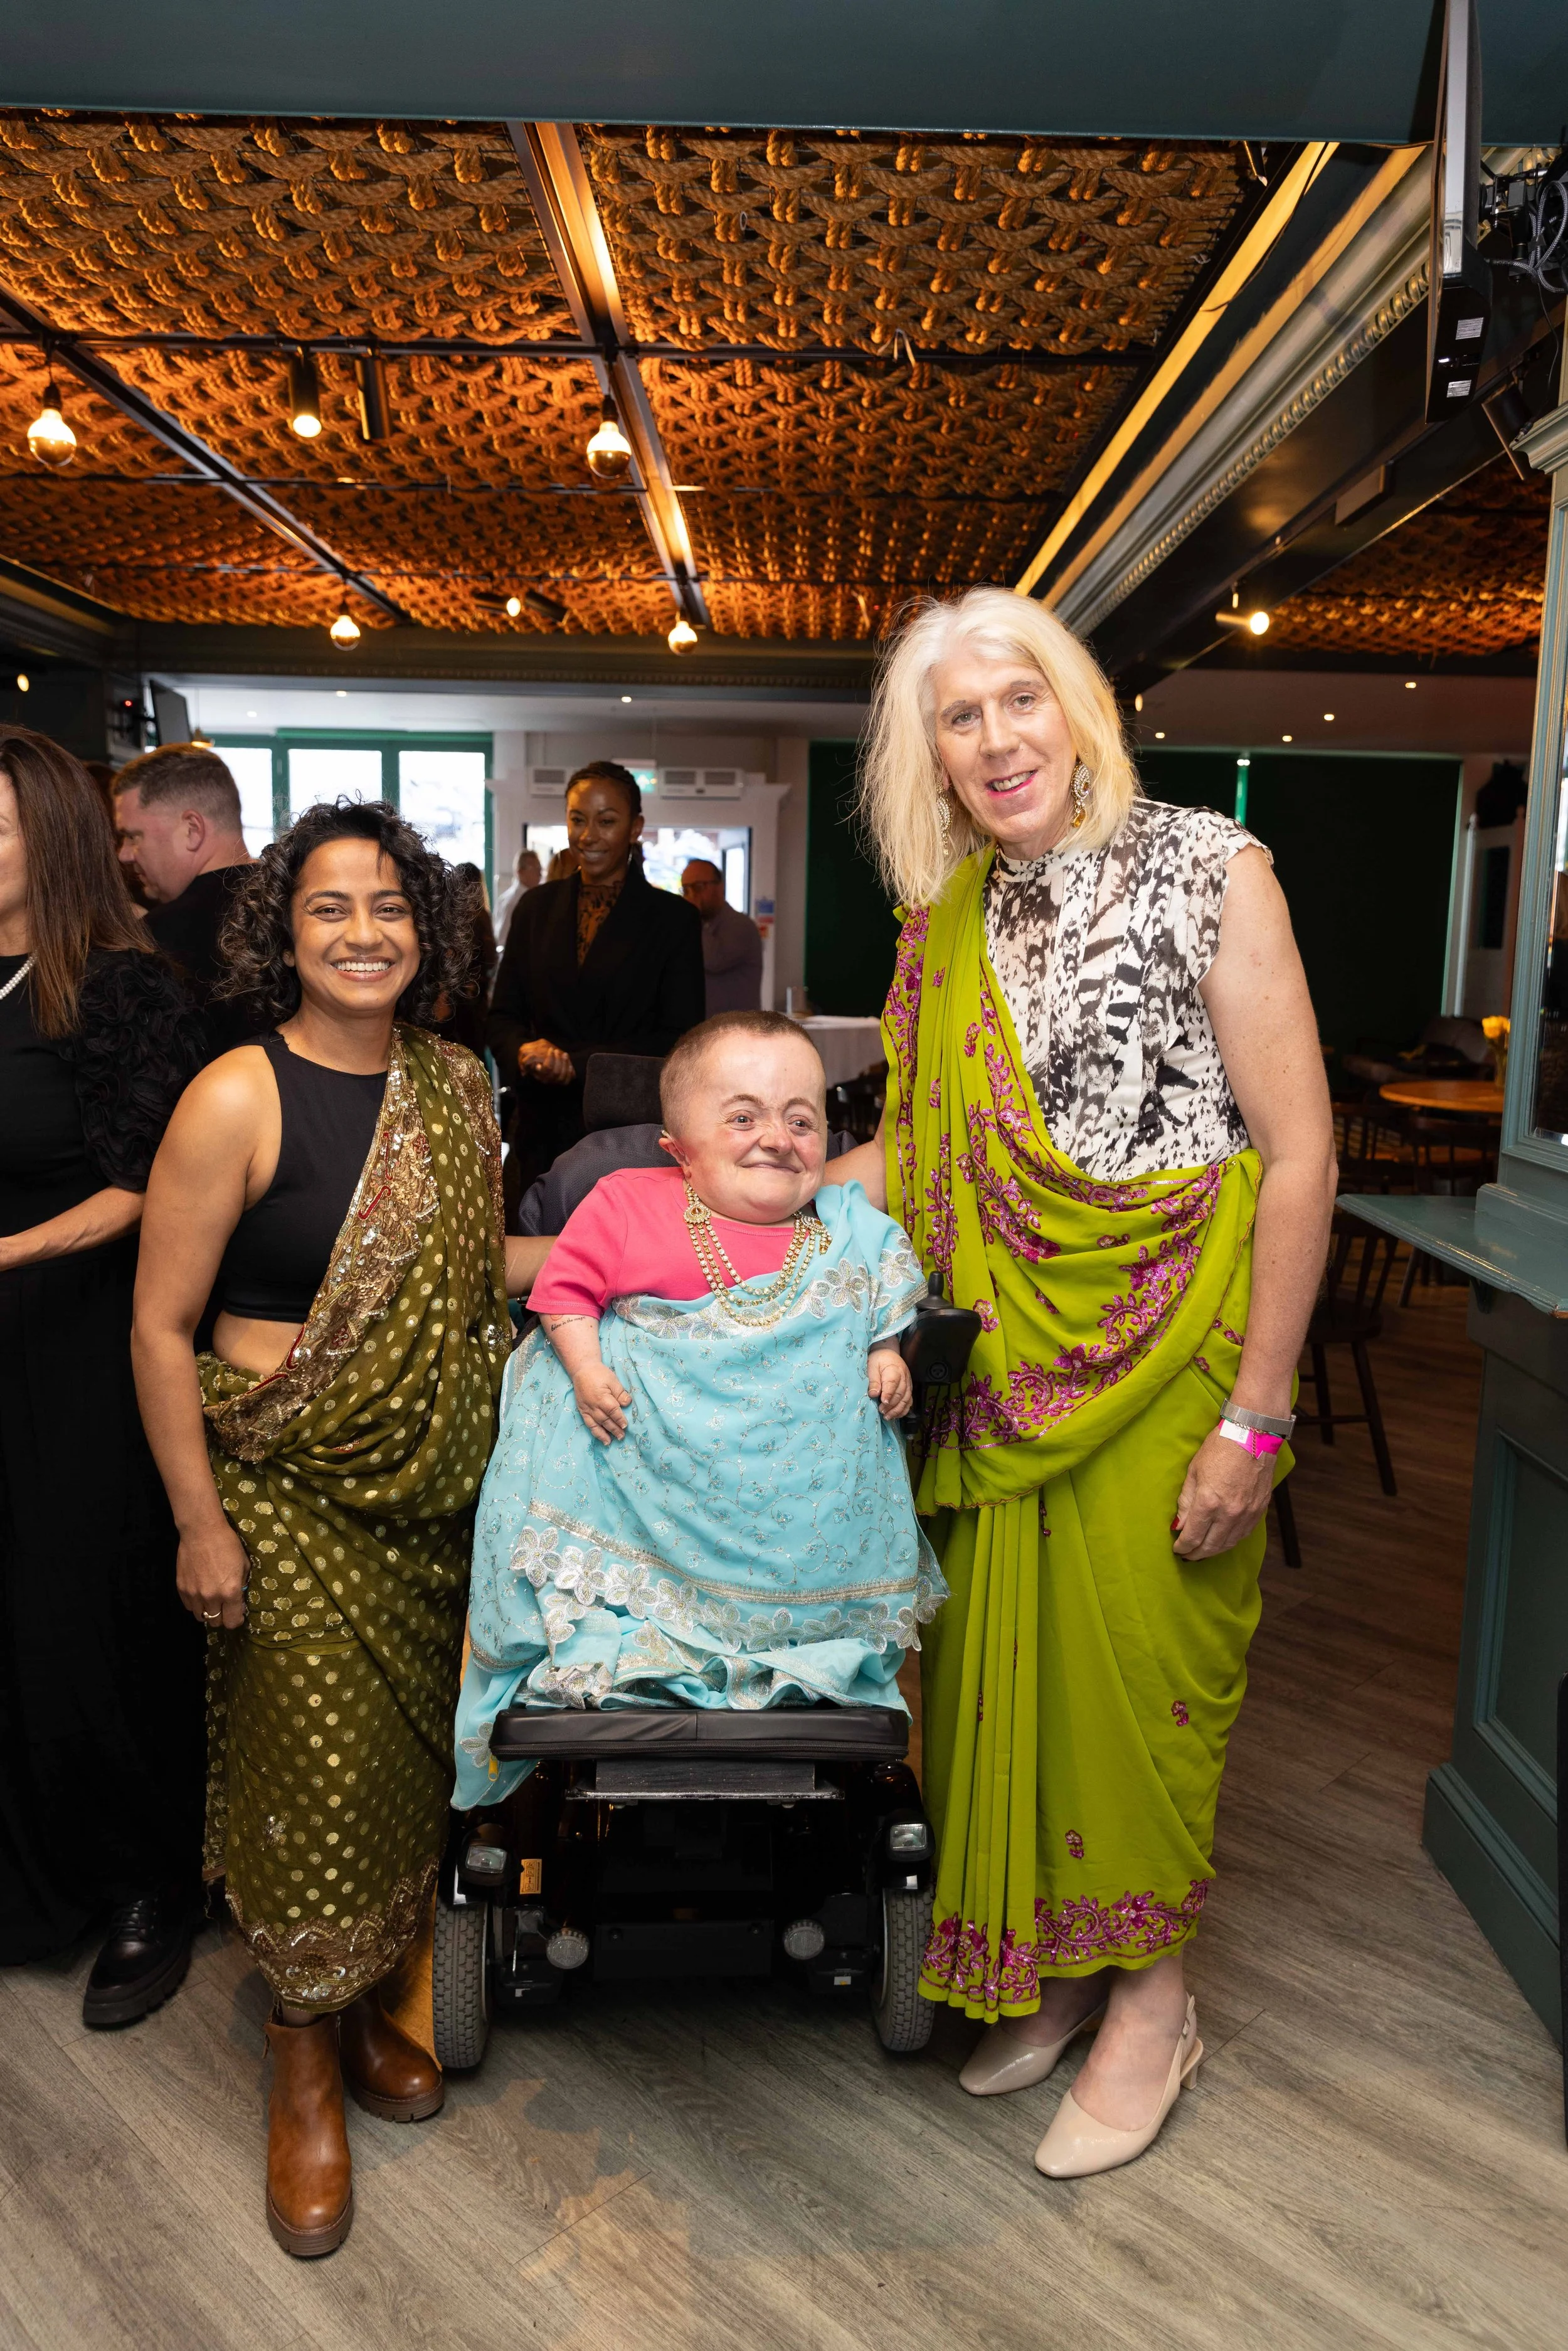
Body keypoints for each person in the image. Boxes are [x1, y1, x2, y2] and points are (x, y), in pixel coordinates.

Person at [831, 587, 1335, 2179]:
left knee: (1140, 1693)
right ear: (933, 757)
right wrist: (713, 1198)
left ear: (1079, 707)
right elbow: (912, 1153)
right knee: (1000, 1693)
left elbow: (1303, 1158)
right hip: (1002, 1376)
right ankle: (1050, 1974)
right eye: (959, 719)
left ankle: (1154, 2001)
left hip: (1180, 1356)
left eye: (1019, 701)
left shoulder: (1211, 867)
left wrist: (1257, 1413)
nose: (996, 741)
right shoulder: (950, 922)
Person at [132, 800, 533, 2259]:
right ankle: (301, 2059)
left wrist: (677, 1234)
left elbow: (466, 1268)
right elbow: (162, 1327)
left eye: (389, 906)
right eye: (329, 908)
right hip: (282, 1485)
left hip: (432, 1494)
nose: (364, 932)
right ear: (279, 932)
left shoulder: (455, 1082)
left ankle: (370, 2009)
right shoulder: (236, 1092)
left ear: (423, 931)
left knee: (403, 1766)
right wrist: (197, 1519)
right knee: (309, 1757)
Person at [454, 1011, 939, 1798]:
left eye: (801, 1119)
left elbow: (882, 1296)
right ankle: (650, 1639)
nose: (776, 1138)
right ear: (679, 1151)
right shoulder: (627, 1204)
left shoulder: (844, 1228)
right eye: (742, 1117)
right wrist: (584, 1368)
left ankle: (778, 1645)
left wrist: (883, 1352)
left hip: (787, 1523)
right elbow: (563, 1295)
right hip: (644, 1497)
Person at [0, 727, 208, 2022]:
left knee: (87, 1610)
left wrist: (8, 1249)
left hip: (77, 1344)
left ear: (50, 842)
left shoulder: (124, 991)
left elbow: (145, 1190)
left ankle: (146, 1885)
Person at [488, 761, 704, 1215]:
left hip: (625, 1132)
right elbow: (502, 1015)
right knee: (539, 1261)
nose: (588, 836)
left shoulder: (672, 920)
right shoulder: (535, 908)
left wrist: (579, 1065)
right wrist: (526, 1051)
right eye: (577, 819)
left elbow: (679, 1036)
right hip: (540, 1126)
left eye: (606, 821)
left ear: (635, 828)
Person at [114, 742, 255, 1056]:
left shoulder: (157, 940)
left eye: (134, 836)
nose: (123, 854)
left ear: (192, 829)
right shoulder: (297, 908)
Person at [682, 856, 765, 1015]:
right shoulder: (700, 927)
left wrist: (693, 917)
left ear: (720, 887)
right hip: (708, 1030)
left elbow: (714, 961)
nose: (691, 896)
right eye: (686, 890)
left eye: (698, 887)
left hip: (737, 1031)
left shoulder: (740, 925)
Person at [432, 859, 497, 1059]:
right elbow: (491, 959)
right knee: (472, 1058)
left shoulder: (450, 917)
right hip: (471, 1000)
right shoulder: (479, 916)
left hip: (459, 1000)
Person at [492, 846, 541, 948]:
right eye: (535, 868)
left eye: (540, 868)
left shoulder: (534, 897)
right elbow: (502, 941)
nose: (539, 873)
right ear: (520, 872)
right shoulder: (513, 902)